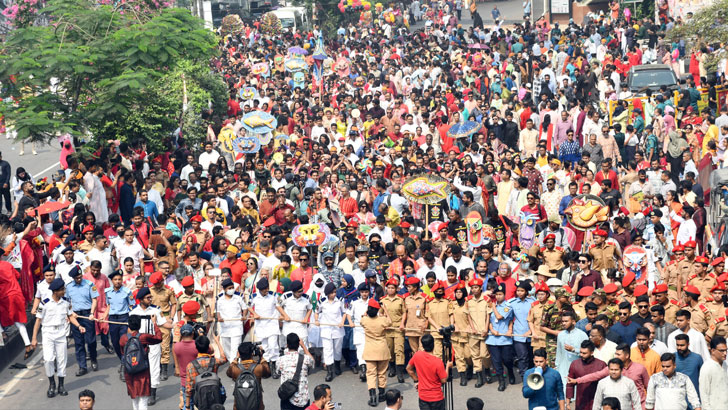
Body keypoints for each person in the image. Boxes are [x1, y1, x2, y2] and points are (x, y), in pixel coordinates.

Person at [31, 278, 85, 398]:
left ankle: (61, 385)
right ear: (55, 291)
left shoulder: (66, 302)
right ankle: (51, 384)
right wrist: (34, 338)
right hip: (48, 333)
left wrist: (79, 326)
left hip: (61, 333)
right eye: (62, 290)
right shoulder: (44, 303)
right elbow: (38, 321)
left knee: (62, 360)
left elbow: (70, 316)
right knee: (48, 359)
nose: (64, 291)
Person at [129, 286, 172, 405]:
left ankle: (152, 393)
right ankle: (141, 390)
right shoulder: (134, 312)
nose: (150, 299)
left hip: (153, 343)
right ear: (141, 299)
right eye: (148, 298)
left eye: (150, 297)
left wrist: (178, 324)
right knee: (139, 368)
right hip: (138, 345)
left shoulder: (156, 310)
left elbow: (164, 323)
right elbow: (130, 329)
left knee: (154, 368)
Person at [120, 313, 162, 410]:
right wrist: (154, 323)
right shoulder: (143, 337)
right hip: (142, 370)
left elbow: (123, 352)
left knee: (134, 398)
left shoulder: (123, 338)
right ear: (139, 325)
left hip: (129, 371)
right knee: (143, 399)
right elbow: (159, 338)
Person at [64, 265, 99, 375]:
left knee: (91, 340)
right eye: (77, 278)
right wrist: (70, 313)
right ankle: (82, 366)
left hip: (88, 315)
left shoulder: (89, 285)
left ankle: (93, 358)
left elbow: (94, 299)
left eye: (80, 277)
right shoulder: (68, 287)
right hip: (76, 316)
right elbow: (66, 302)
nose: (79, 279)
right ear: (73, 278)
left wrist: (92, 313)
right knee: (79, 343)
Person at [407, 333, 451, 410]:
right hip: (436, 398)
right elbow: (443, 380)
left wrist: (416, 380)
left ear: (423, 345)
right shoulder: (437, 362)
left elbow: (409, 369)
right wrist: (447, 367)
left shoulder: (417, 355)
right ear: (433, 345)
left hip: (423, 397)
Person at [361, 297, 392, 406]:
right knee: (382, 373)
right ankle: (382, 394)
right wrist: (385, 309)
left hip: (370, 350)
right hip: (382, 349)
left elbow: (363, 317)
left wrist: (367, 310)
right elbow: (390, 322)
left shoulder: (364, 320)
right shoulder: (382, 320)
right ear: (378, 309)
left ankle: (373, 397)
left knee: (371, 374)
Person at [248, 277, 281, 378]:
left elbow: (278, 306)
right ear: (259, 290)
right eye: (264, 289)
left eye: (267, 288)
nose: (267, 290)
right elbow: (248, 306)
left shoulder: (273, 295)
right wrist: (254, 314)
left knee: (273, 346)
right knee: (265, 348)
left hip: (272, 324)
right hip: (261, 326)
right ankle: (266, 368)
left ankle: (274, 367)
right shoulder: (253, 296)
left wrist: (283, 316)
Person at [104, 269, 134, 380]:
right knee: (115, 343)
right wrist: (104, 316)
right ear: (112, 281)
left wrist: (132, 320)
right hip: (112, 320)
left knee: (123, 342)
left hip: (124, 319)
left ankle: (123, 366)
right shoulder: (107, 292)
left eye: (119, 279)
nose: (117, 281)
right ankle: (123, 360)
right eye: (115, 279)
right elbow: (108, 306)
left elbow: (131, 306)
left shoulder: (127, 292)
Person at [185, 335, 228, 409]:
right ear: (208, 347)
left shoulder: (191, 365)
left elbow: (189, 388)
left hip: (200, 400)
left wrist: (188, 406)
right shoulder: (214, 361)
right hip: (215, 397)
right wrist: (217, 341)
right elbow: (224, 358)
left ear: (196, 348)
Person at [226, 342, 271, 410]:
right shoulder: (259, 368)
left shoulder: (234, 369)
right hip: (257, 405)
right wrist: (261, 356)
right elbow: (268, 373)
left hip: (239, 405)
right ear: (252, 353)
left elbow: (228, 373)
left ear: (239, 354)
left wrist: (236, 358)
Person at [566, 340, 607, 410]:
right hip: (580, 402)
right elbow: (570, 384)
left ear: (592, 352)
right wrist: (567, 403)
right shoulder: (575, 364)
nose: (581, 355)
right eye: (581, 352)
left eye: (584, 353)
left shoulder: (601, 365)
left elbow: (606, 386)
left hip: (597, 402)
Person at [279, 333, 315, 410]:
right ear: (298, 345)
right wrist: (304, 346)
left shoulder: (280, 360)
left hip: (287, 396)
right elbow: (313, 361)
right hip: (303, 398)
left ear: (287, 345)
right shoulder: (305, 359)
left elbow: (278, 371)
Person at [217, 278, 246, 364]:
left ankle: (235, 363)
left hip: (236, 326)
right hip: (224, 327)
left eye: (232, 287)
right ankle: (231, 362)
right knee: (226, 348)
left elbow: (244, 308)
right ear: (224, 289)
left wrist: (244, 316)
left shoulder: (238, 297)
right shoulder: (220, 299)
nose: (231, 290)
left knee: (235, 347)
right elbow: (218, 311)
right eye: (229, 288)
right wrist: (219, 318)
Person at [698, 336, 728, 410]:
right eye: (721, 351)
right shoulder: (707, 367)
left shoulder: (725, 364)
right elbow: (704, 394)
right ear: (713, 351)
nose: (725, 353)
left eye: (726, 350)